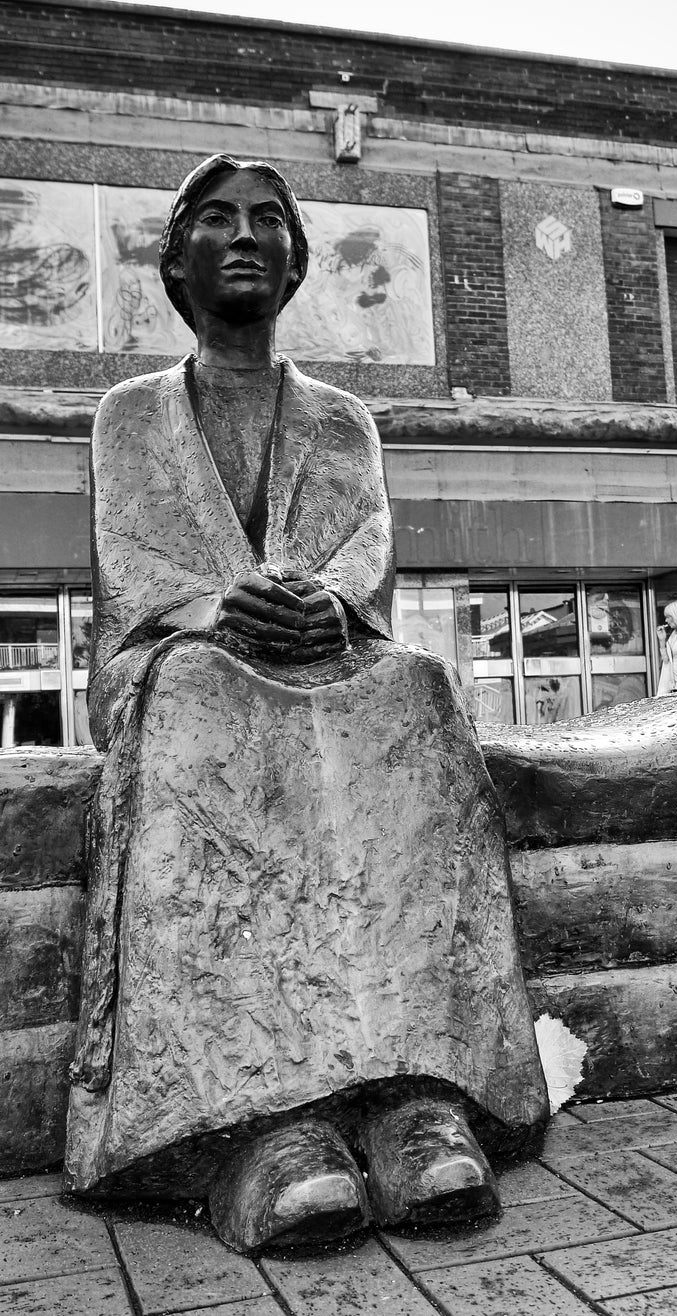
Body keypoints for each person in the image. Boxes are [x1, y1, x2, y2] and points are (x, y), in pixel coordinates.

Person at [64, 155, 548, 1253]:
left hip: (325, 672)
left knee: (417, 687)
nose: (244, 235)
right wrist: (209, 609)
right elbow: (135, 576)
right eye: (218, 219)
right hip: (184, 667)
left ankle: (418, 1094)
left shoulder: (343, 422)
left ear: (295, 263)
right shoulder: (128, 414)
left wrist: (328, 609)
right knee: (198, 691)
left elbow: (360, 563)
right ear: (175, 260)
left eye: (268, 220)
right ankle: (264, 1124)